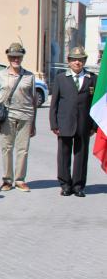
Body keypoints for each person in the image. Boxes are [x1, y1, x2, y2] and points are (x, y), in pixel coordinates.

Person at [49, 46, 98, 197]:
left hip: (84, 124)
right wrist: (54, 124)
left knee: (81, 155)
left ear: (84, 61)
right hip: (64, 123)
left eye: (81, 60)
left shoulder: (92, 78)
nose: (77, 62)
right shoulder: (60, 78)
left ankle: (78, 186)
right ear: (69, 61)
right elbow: (54, 103)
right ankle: (65, 184)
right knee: (63, 155)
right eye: (74, 59)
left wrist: (94, 126)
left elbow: (95, 103)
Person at [0, 43, 38, 192]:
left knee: (23, 149)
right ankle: (7, 180)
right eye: (12, 56)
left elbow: (33, 101)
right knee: (7, 148)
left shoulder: (29, 76)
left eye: (18, 56)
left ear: (22, 57)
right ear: (8, 57)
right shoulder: (0, 75)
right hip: (7, 117)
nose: (15, 59)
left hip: (26, 116)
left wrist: (34, 123)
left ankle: (19, 180)